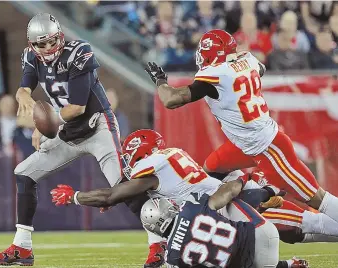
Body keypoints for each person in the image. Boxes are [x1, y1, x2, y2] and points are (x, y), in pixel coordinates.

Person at [144, 29, 338, 228]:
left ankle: (263, 187)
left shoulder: (215, 74)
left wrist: (161, 81)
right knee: (212, 167)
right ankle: (221, 213)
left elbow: (171, 100)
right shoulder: (249, 59)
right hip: (245, 144)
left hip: (268, 146)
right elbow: (259, 69)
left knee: (316, 198)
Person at [50, 129, 307, 268]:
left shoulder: (152, 171)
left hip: (222, 214)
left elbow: (109, 195)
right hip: (231, 209)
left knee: (199, 255)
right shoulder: (173, 159)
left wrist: (75, 197)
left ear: (140, 155)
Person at [0, 13, 122, 266]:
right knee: (24, 172)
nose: (48, 48)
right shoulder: (31, 57)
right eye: (41, 44)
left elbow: (76, 107)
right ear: (32, 45)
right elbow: (24, 87)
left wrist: (42, 125)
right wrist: (23, 97)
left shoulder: (78, 52)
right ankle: (22, 247)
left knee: (125, 187)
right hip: (69, 133)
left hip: (98, 128)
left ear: (60, 36)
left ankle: (159, 242)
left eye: (52, 41)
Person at [141, 183, 307, 268]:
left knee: (221, 259)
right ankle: (265, 193)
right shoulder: (190, 205)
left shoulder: (173, 257)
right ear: (167, 208)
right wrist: (243, 182)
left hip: (252, 262)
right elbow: (228, 191)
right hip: (263, 231)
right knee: (229, 199)